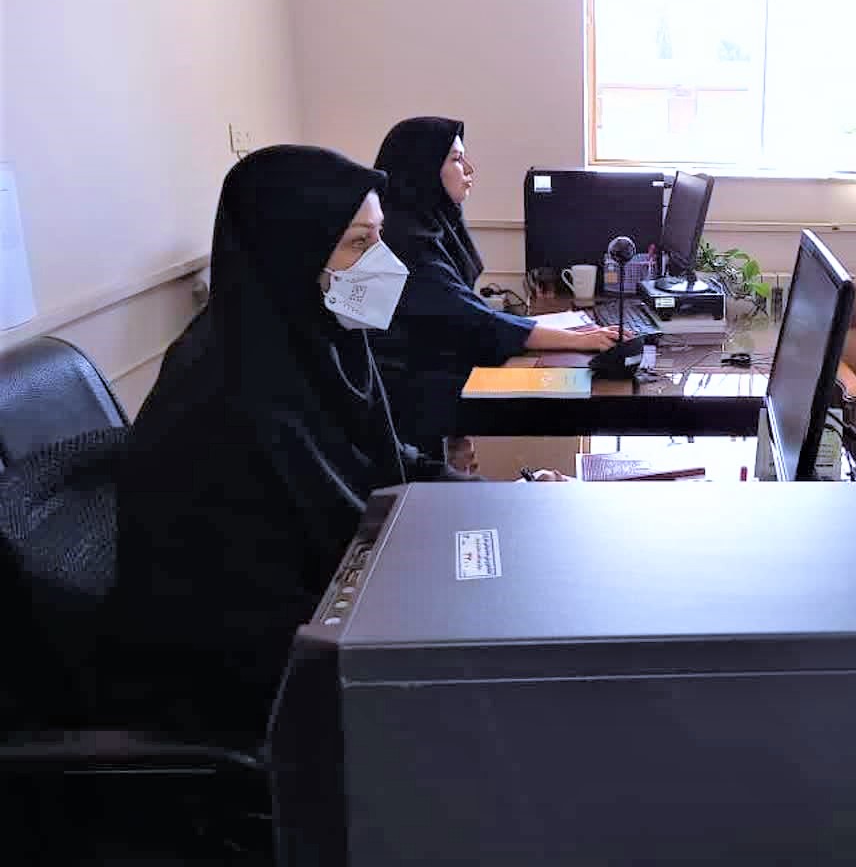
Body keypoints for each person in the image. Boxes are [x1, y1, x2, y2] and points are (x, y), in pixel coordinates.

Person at [107, 145, 477, 737]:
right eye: (359, 243)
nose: (384, 262)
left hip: (333, 632)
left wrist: (501, 499)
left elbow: (387, 464)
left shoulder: (320, 340)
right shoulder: (222, 398)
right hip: (253, 700)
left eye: (379, 237)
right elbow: (256, 624)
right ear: (291, 250)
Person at [372, 117, 620, 461]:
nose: (469, 169)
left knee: (564, 380)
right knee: (570, 387)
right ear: (423, 170)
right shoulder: (406, 241)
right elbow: (471, 320)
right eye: (456, 159)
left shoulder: (428, 224)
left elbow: (464, 314)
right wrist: (579, 339)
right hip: (413, 395)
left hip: (433, 378)